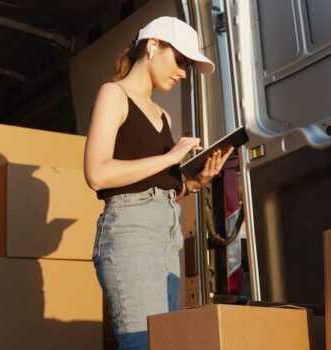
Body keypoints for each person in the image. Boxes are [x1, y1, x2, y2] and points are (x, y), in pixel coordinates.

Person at [83, 16, 234, 350]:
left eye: (187, 66)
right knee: (143, 344)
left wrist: (194, 182)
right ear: (153, 46)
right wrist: (170, 158)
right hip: (129, 232)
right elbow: (97, 174)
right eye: (180, 60)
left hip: (166, 237)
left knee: (164, 344)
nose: (182, 71)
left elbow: (156, 188)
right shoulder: (114, 94)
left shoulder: (163, 116)